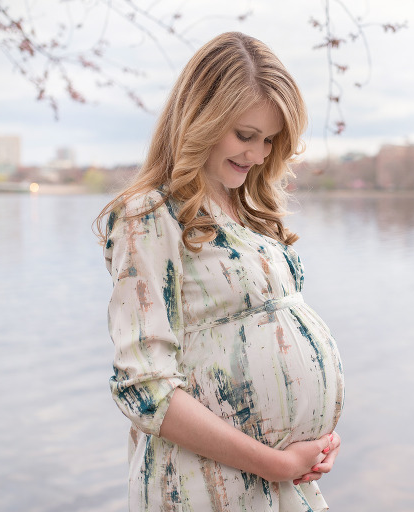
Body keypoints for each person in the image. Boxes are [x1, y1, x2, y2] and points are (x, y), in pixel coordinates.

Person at [95, 32, 344, 511]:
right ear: (200, 118)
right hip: (207, 488)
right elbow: (144, 388)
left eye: (270, 140)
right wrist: (276, 463)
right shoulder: (151, 215)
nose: (258, 155)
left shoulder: (249, 216)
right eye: (245, 136)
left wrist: (315, 442)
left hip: (283, 485)